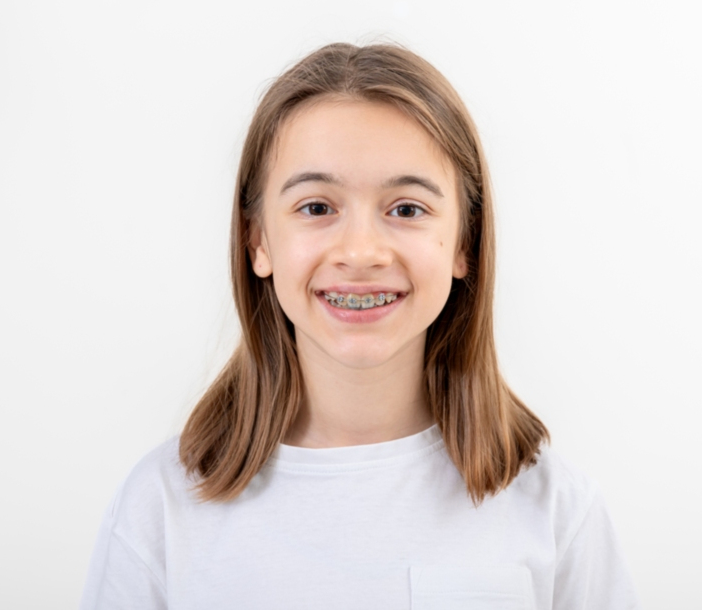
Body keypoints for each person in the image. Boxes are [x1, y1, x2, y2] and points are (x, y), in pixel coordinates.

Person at [79, 42, 640, 609]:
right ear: (258, 241)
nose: (361, 251)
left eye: (406, 209)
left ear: (463, 244)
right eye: (317, 208)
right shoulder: (161, 510)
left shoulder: (555, 512)